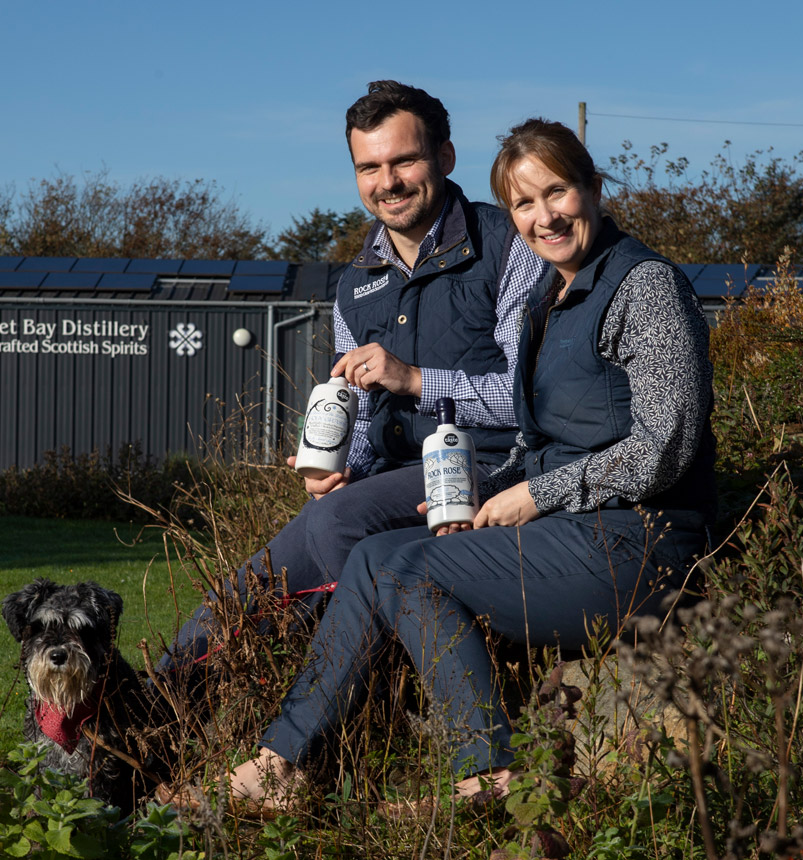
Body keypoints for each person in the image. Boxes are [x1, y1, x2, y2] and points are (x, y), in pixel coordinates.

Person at [181, 117, 717, 812]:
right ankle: (281, 761)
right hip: (567, 532)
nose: (543, 216)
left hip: (639, 539)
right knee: (377, 556)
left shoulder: (644, 287)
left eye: (557, 192)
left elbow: (667, 445)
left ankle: (486, 772)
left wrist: (535, 495)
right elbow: (536, 433)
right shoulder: (547, 300)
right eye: (524, 203)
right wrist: (474, 511)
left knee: (400, 566)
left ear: (593, 186)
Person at [156, 82, 545, 676]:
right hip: (392, 479)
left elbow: (531, 398)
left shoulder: (509, 246)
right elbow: (360, 413)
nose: (386, 182)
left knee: (338, 523)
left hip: (488, 467)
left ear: (444, 158)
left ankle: (399, 688)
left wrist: (416, 379)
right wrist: (341, 468)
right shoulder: (353, 283)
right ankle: (146, 713)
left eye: (403, 161)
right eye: (369, 167)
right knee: (256, 582)